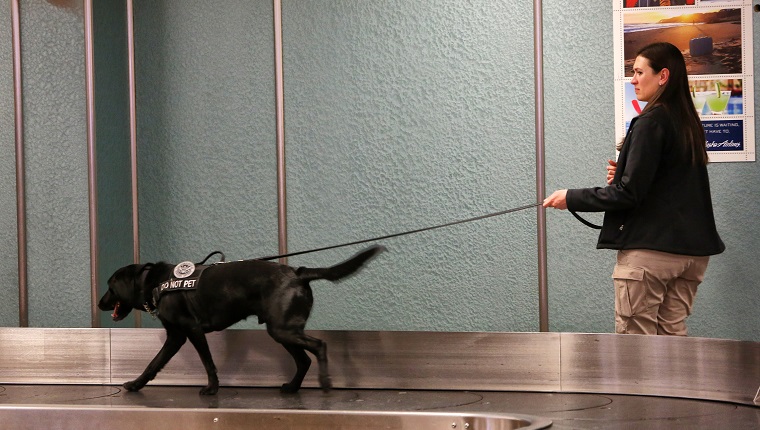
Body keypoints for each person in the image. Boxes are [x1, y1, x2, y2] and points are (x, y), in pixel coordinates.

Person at [543, 42, 724, 336]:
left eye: (639, 72)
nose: (633, 80)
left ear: (662, 76)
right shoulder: (688, 122)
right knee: (672, 338)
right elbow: (668, 183)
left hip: (651, 254)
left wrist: (570, 197)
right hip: (692, 254)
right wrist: (627, 174)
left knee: (636, 348)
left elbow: (627, 194)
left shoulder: (650, 121)